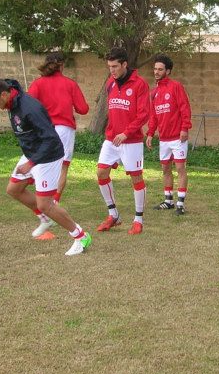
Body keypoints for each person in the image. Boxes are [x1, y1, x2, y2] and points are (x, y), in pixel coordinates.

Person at [0, 77, 91, 256]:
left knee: (45, 204)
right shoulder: (11, 100)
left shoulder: (29, 108)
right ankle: (45, 219)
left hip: (48, 156)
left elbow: (51, 139)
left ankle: (80, 236)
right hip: (33, 153)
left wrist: (31, 163)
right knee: (14, 189)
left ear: (3, 94)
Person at [27, 52, 90, 238]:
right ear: (62, 66)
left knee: (41, 166)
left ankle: (47, 208)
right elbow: (83, 109)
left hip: (44, 130)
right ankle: (53, 205)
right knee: (62, 169)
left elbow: (29, 105)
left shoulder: (38, 83)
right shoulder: (70, 84)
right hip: (64, 130)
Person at [96, 48, 150, 235]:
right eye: (109, 66)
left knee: (136, 178)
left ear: (125, 64)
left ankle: (138, 220)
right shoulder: (110, 83)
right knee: (101, 173)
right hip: (111, 139)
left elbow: (144, 114)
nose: (112, 70)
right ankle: (114, 215)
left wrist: (126, 133)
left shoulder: (140, 84)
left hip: (131, 140)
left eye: (115, 66)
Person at [145, 54, 192, 215]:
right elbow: (153, 115)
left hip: (178, 137)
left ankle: (180, 203)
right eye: (155, 69)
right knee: (165, 169)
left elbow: (185, 108)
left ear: (168, 71)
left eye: (160, 69)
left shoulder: (176, 86)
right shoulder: (154, 92)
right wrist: (150, 133)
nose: (156, 72)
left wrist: (185, 128)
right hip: (164, 138)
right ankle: (168, 201)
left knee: (180, 168)